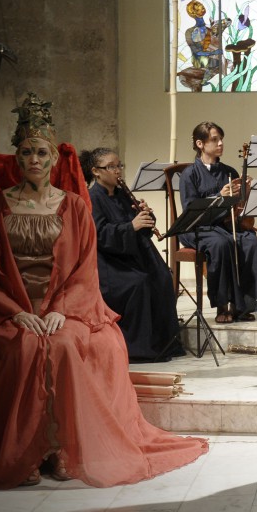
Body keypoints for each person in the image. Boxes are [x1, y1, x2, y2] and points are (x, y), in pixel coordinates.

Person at [0, 93, 207, 490]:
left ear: (54, 158)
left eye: (41, 152)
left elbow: (83, 269)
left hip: (64, 307)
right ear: (16, 158)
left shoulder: (72, 206)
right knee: (24, 347)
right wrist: (14, 311)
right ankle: (26, 452)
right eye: (25, 153)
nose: (33, 160)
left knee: (64, 345)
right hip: (11, 308)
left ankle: (60, 449)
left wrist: (62, 309)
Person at [81, 147, 182, 361]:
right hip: (109, 261)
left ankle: (166, 343)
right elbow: (99, 234)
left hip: (130, 254)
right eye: (111, 166)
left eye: (119, 165)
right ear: (96, 171)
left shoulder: (122, 194)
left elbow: (142, 229)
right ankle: (139, 349)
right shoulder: (92, 199)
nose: (118, 171)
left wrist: (146, 217)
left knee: (162, 276)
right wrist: (131, 227)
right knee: (139, 283)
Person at [178, 121, 257, 323]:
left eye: (221, 139)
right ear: (200, 144)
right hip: (197, 228)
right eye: (214, 139)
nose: (220, 143)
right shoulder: (189, 175)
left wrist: (245, 195)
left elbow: (238, 207)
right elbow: (191, 210)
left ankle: (243, 305)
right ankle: (221, 306)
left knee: (252, 243)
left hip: (225, 225)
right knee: (221, 245)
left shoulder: (230, 172)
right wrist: (219, 196)